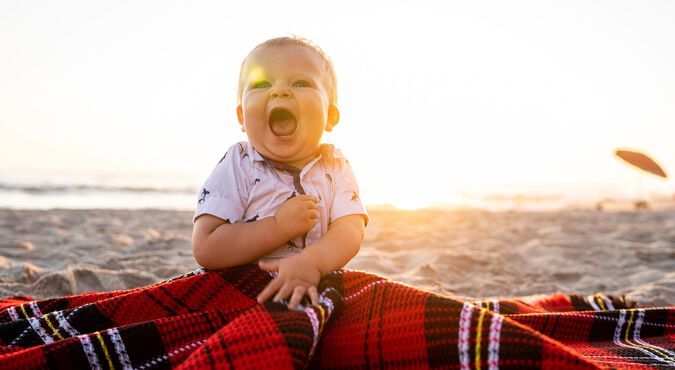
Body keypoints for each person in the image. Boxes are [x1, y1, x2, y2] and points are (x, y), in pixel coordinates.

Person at [192, 36, 368, 310]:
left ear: (330, 115)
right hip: (241, 289)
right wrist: (278, 228)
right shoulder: (239, 161)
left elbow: (350, 230)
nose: (280, 91)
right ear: (241, 116)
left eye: (301, 83)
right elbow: (207, 246)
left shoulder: (335, 164)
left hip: (314, 283)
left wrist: (312, 262)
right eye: (262, 84)